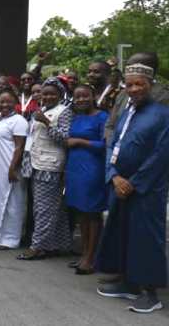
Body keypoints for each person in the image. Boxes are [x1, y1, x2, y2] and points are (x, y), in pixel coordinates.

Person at [96, 63, 169, 314]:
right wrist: (114, 176)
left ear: (151, 86)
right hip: (120, 185)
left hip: (146, 189)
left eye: (140, 84)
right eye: (130, 84)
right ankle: (128, 283)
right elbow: (112, 145)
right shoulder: (127, 112)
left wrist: (134, 183)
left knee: (145, 238)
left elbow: (161, 154)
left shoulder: (162, 114)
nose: (134, 88)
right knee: (122, 233)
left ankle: (151, 293)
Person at [18, 78, 73, 260]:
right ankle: (58, 244)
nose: (47, 96)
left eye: (52, 94)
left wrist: (47, 123)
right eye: (45, 93)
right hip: (35, 163)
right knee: (51, 207)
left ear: (59, 95)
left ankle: (37, 247)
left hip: (50, 166)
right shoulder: (41, 110)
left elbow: (65, 138)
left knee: (43, 209)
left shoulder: (64, 112)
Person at [65, 84, 108, 274]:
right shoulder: (77, 117)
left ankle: (92, 257)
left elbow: (106, 144)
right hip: (75, 168)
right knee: (81, 212)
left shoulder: (102, 117)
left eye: (85, 96)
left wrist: (81, 142)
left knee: (92, 213)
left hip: (92, 169)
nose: (81, 100)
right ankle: (84, 253)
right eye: (77, 97)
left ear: (93, 96)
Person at [0, 90, 29, 250]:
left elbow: (19, 147)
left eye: (8, 102)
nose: (4, 105)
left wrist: (12, 168)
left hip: (8, 168)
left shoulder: (19, 121)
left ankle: (9, 239)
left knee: (12, 203)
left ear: (15, 102)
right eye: (1, 102)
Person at [104, 52, 169, 142]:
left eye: (133, 66)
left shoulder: (164, 97)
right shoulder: (123, 94)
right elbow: (110, 125)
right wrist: (111, 147)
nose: (128, 70)